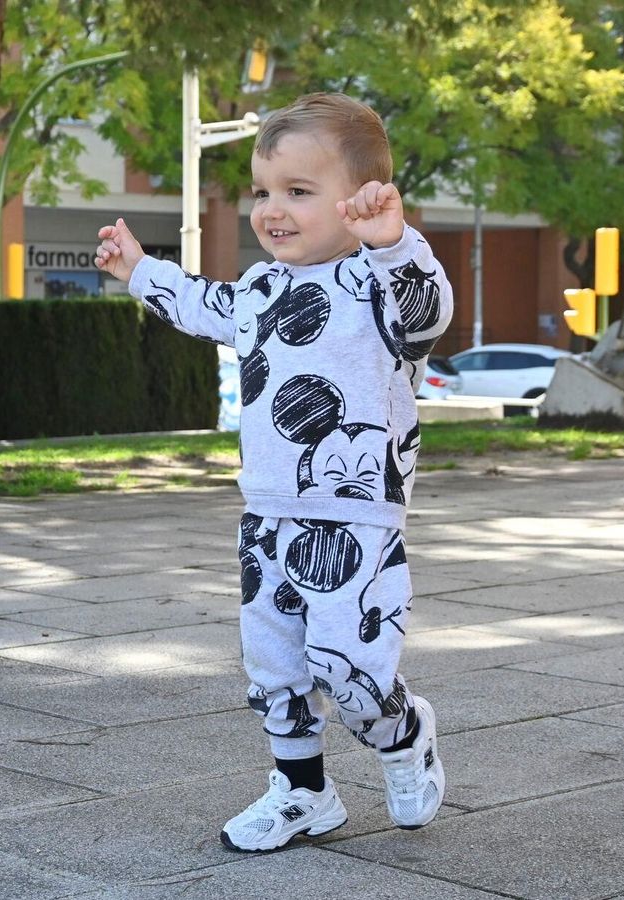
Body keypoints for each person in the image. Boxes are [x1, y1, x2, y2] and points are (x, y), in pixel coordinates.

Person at [94, 92, 454, 853]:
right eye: (263, 191)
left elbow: (427, 316)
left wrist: (394, 244)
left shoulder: (378, 286)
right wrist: (139, 270)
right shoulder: (261, 290)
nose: (272, 210)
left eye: (297, 191)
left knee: (349, 668)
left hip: (354, 515)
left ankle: (401, 732)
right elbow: (204, 303)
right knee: (275, 666)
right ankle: (302, 793)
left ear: (358, 200)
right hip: (266, 514)